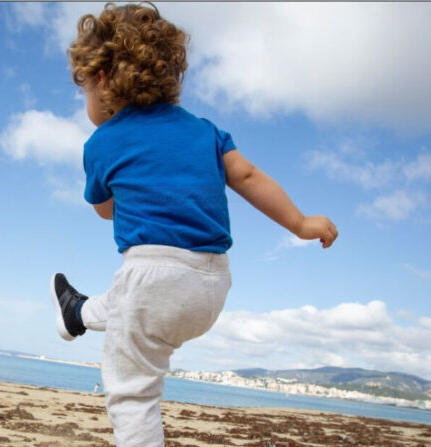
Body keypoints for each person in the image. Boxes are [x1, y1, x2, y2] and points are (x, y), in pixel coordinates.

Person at [50, 3, 338, 446]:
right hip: (211, 284)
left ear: (102, 79)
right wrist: (300, 223)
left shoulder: (101, 142)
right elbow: (247, 177)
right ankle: (76, 314)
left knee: (132, 394)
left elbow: (105, 210)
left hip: (151, 275)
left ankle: (81, 319)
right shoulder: (206, 131)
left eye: (84, 87)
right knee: (126, 302)